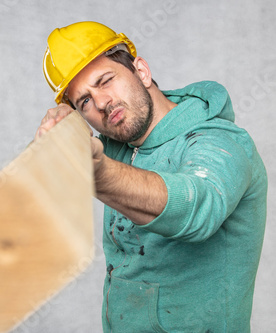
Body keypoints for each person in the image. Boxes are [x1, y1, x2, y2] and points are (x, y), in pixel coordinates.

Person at [37, 21, 267, 332]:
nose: (102, 103)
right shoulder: (119, 147)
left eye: (105, 80)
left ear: (141, 71)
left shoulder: (219, 141)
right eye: (85, 101)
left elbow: (198, 205)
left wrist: (98, 173)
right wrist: (61, 131)